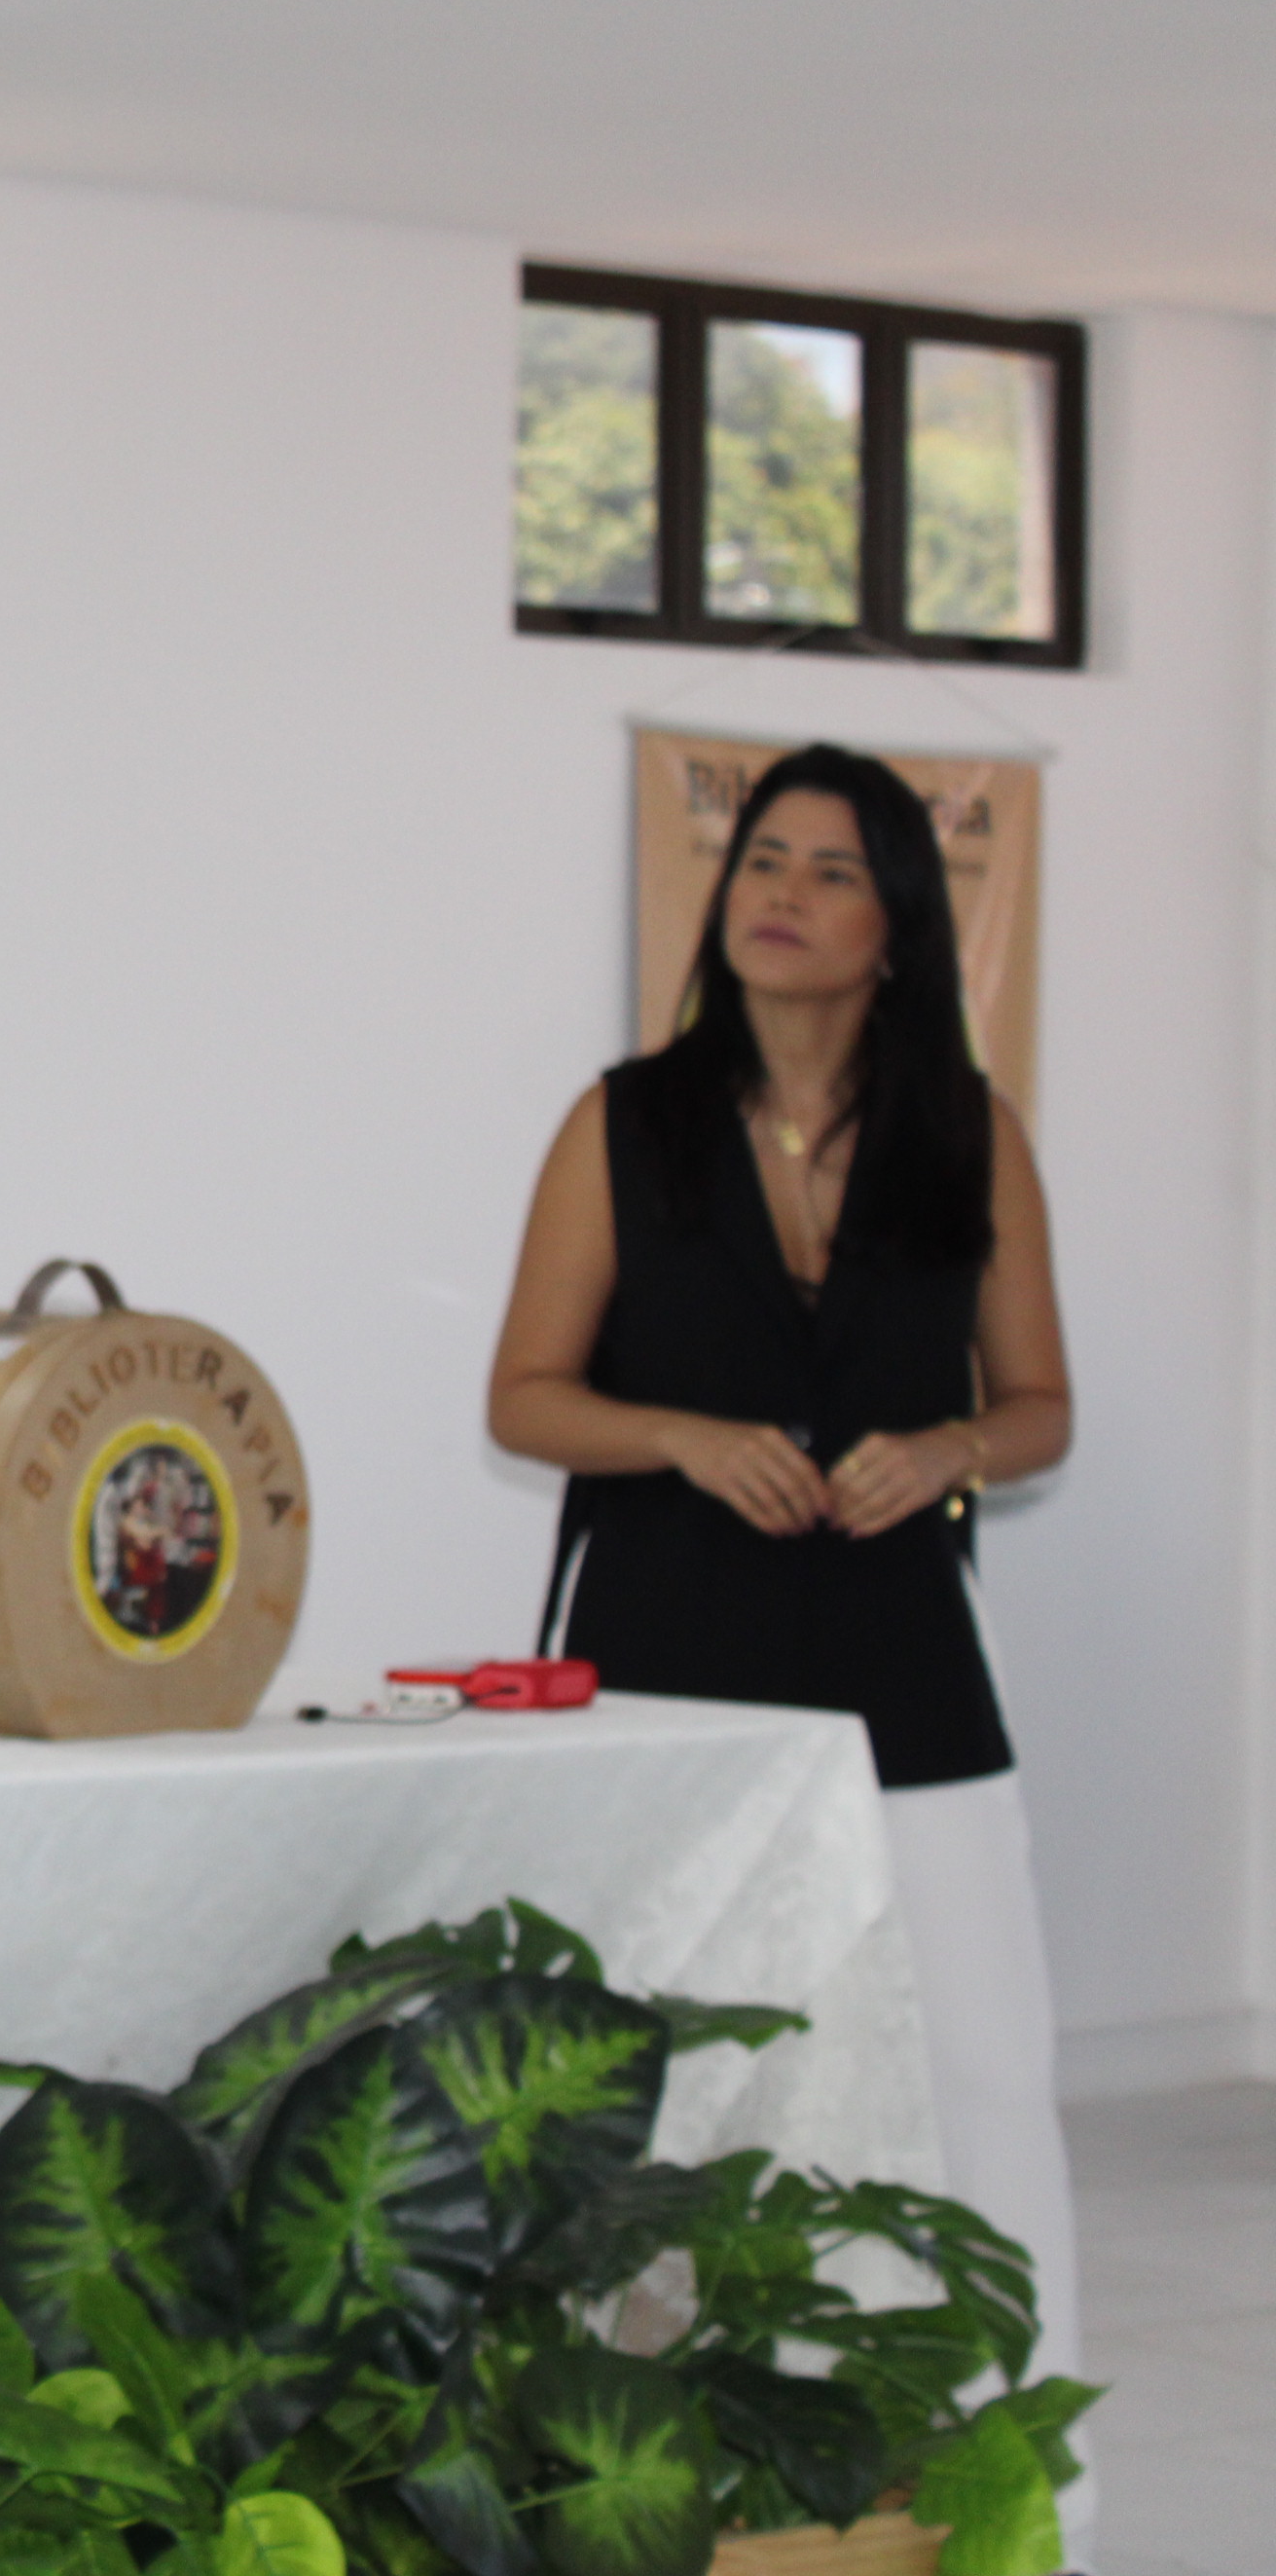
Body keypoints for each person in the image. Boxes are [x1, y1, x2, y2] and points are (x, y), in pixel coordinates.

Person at [487, 742, 1088, 2557]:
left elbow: (1043, 1407)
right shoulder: (623, 1123)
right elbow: (525, 1396)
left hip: (906, 1668)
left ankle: (1000, 2498)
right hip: (668, 1668)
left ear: (897, 926)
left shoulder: (972, 1138)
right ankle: (661, 2504)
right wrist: (677, 1434)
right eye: (763, 858)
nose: (782, 894)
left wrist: (953, 1448)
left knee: (979, 2075)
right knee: (679, 2090)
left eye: (832, 871)